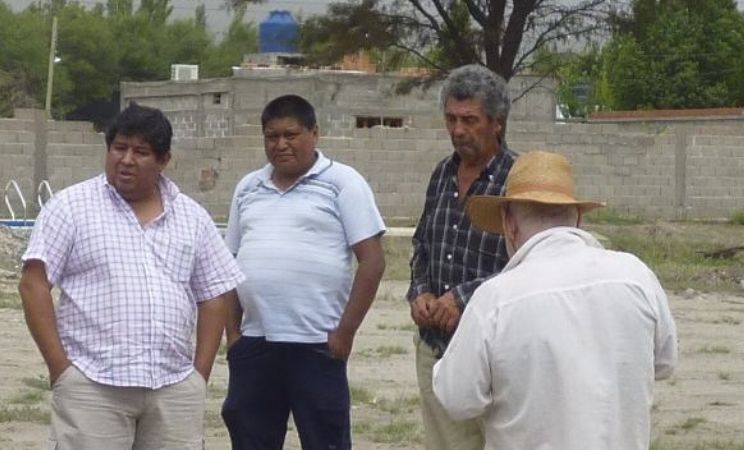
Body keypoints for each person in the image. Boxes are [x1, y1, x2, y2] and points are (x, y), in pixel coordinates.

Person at [18, 103, 245, 449]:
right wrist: (60, 369)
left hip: (173, 387)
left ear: (164, 159)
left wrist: (198, 375)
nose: (126, 159)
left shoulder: (192, 217)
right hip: (92, 385)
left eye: (140, 152)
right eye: (119, 148)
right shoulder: (70, 207)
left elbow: (213, 294)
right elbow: (34, 284)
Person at [432, 150, 679, 450]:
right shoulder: (636, 277)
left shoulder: (496, 300)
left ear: (509, 223)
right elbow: (664, 363)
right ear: (577, 217)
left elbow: (457, 398)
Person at [221, 94, 386, 450]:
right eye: (271, 136)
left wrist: (345, 332)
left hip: (317, 345)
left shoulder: (343, 182)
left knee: (325, 441)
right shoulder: (248, 188)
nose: (281, 144)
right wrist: (234, 336)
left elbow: (372, 261)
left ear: (314, 133)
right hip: (256, 344)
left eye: (291, 134)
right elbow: (229, 264)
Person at [407, 63, 516, 450]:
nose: (457, 130)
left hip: (495, 353)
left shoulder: (517, 182)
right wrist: (420, 292)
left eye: (469, 120)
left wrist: (462, 297)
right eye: (451, 119)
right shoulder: (441, 174)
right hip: (437, 346)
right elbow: (422, 245)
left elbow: (528, 267)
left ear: (497, 122)